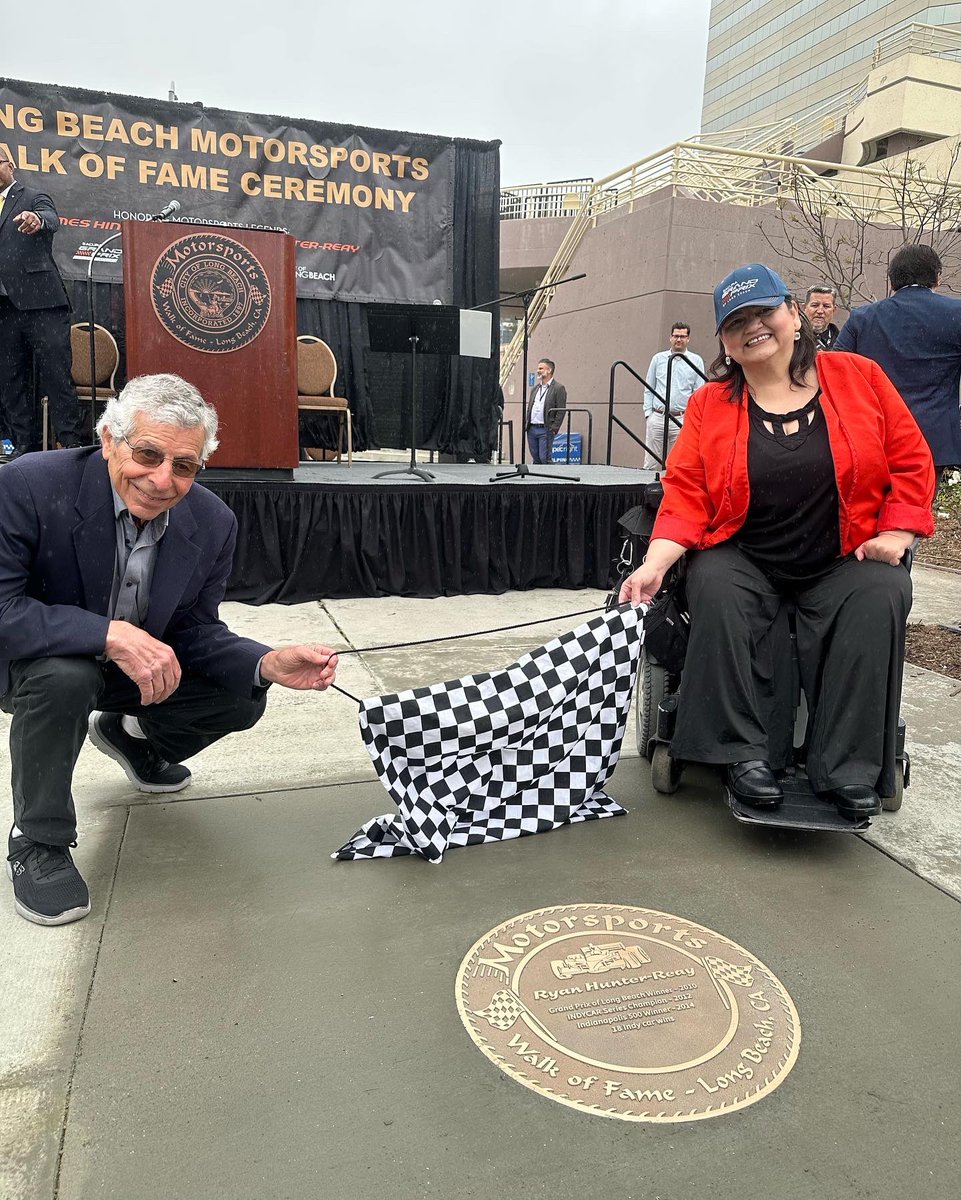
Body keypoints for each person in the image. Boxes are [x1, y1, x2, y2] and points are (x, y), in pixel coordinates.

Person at [1, 374, 340, 927]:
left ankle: (129, 735)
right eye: (148, 454)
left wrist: (264, 661)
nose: (162, 481)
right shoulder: (29, 486)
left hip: (124, 671)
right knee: (65, 676)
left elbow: (193, 630)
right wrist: (107, 633)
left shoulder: (212, 521)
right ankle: (38, 840)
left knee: (241, 694)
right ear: (109, 439)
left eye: (183, 466)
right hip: (35, 662)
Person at [619, 263, 935, 820]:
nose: (752, 327)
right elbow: (687, 492)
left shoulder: (858, 376)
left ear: (793, 313)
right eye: (736, 322)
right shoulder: (710, 405)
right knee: (712, 582)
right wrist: (654, 564)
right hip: (748, 556)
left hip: (842, 555)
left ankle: (846, 768)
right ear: (724, 341)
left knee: (881, 592)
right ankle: (744, 757)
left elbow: (910, 458)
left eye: (763, 312)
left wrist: (899, 529)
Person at [834, 244, 961, 471]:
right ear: (937, 278)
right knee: (917, 506)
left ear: (892, 281)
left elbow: (835, 373)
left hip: (875, 435)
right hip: (933, 439)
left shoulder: (862, 318)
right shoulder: (956, 314)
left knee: (871, 505)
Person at [0, 156, 84, 458]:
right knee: (10, 379)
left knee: (56, 374)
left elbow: (51, 218)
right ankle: (24, 444)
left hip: (41, 303)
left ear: (10, 166)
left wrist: (39, 221)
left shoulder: (32, 196)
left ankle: (71, 443)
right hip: (4, 310)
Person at [643, 322, 705, 468]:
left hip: (681, 419)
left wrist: (692, 419)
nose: (679, 339)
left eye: (683, 336)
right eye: (676, 336)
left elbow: (699, 392)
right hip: (658, 416)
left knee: (678, 463)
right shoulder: (658, 359)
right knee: (651, 463)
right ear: (670, 337)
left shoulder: (696, 361)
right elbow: (649, 386)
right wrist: (648, 414)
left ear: (688, 339)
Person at [525, 358, 566, 464]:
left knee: (545, 458)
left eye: (541, 368)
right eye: (538, 368)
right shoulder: (535, 389)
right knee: (536, 458)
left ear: (549, 370)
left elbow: (561, 410)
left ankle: (549, 478)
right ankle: (536, 480)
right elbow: (530, 408)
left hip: (545, 429)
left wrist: (554, 428)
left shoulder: (558, 388)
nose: (538, 370)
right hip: (532, 429)